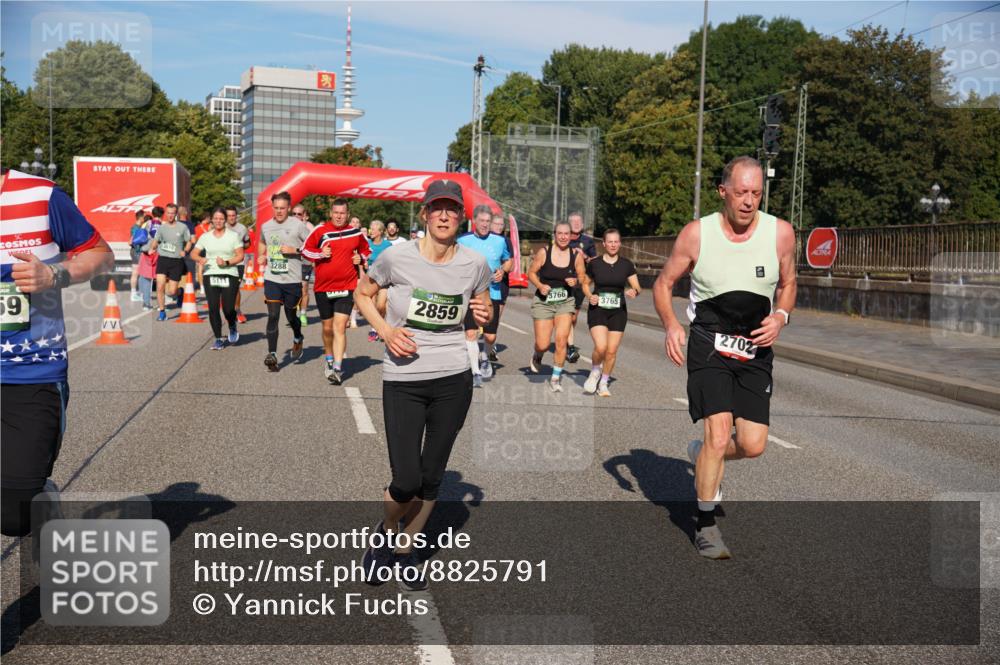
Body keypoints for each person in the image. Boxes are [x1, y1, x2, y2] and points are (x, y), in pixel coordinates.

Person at [653, 156, 796, 560]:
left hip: (755, 349)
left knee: (752, 445)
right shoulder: (697, 235)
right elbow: (664, 284)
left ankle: (702, 457)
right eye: (741, 193)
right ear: (723, 191)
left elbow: (789, 282)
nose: (749, 201)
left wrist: (781, 316)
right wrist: (671, 325)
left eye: (756, 193)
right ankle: (706, 523)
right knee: (718, 434)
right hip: (709, 343)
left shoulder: (780, 233)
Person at [354, 179, 492, 591]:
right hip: (404, 378)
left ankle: (404, 550)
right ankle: (386, 529)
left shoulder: (474, 263)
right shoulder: (397, 258)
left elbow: (480, 311)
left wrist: (481, 315)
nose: (445, 215)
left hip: (453, 377)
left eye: (452, 208)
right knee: (406, 479)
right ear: (425, 214)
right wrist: (385, 330)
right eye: (437, 208)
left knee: (432, 476)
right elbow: (363, 294)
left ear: (461, 216)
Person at [1, 167, 113, 537]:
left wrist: (54, 276)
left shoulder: (41, 195)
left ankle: (40, 499)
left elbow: (101, 255)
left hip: (29, 372)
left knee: (14, 517)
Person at [301, 199, 371, 385]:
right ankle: (329, 359)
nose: (339, 216)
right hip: (323, 287)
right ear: (331, 213)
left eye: (342, 213)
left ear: (348, 215)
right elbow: (305, 250)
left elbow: (367, 250)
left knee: (340, 327)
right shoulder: (320, 230)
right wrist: (320, 254)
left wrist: (360, 257)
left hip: (346, 286)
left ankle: (338, 368)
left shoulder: (355, 232)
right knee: (327, 328)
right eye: (336, 212)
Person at [527, 222, 586, 392]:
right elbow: (531, 272)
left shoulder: (576, 255)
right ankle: (538, 355)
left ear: (571, 235)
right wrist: (539, 285)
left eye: (566, 233)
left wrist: (576, 281)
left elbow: (583, 277)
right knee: (543, 344)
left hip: (565, 303)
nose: (563, 236)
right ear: (554, 234)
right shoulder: (544, 252)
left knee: (561, 340)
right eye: (559, 233)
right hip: (544, 303)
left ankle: (555, 378)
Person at [581, 229, 640, 396]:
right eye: (610, 242)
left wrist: (633, 291)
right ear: (604, 244)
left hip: (618, 311)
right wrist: (589, 295)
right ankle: (594, 372)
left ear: (619, 244)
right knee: (601, 347)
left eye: (616, 242)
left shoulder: (626, 264)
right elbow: (585, 284)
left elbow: (637, 286)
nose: (613, 245)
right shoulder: (595, 263)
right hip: (598, 309)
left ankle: (604, 382)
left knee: (612, 350)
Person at [457, 204, 511, 386]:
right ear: (474, 222)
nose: (485, 224)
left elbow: (508, 260)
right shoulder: (463, 241)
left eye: (488, 221)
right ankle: (475, 372)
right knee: (471, 333)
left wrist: (503, 271)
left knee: (490, 337)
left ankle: (486, 357)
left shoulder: (499, 241)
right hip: (471, 294)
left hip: (492, 294)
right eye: (482, 221)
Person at [258, 191, 311, 372]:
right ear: (272, 207)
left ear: (289, 208)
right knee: (273, 315)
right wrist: (260, 255)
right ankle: (272, 354)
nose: (279, 211)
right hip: (272, 278)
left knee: (291, 315)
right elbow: (263, 243)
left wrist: (294, 249)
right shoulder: (266, 226)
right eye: (276, 208)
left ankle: (298, 337)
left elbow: (312, 248)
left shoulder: (298, 226)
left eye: (283, 208)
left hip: (292, 280)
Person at [194, 207, 244, 350]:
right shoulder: (205, 236)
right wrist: (200, 258)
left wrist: (227, 262)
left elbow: (240, 255)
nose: (218, 221)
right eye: (215, 218)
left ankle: (232, 324)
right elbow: (194, 253)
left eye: (221, 218)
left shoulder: (233, 236)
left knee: (228, 309)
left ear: (225, 220)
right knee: (213, 308)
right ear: (212, 219)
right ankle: (218, 338)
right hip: (211, 274)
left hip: (229, 274)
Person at [149, 203, 192, 321]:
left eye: (172, 213)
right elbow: (156, 240)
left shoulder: (182, 227)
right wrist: (152, 248)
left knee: (172, 291)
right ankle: (162, 312)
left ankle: (180, 292)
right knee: (160, 286)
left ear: (176, 214)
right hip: (163, 259)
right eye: (168, 213)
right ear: (165, 214)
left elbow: (189, 241)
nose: (170, 215)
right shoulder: (161, 228)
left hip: (176, 261)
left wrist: (186, 250)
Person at [566, 212, 597, 363]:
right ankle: (570, 347)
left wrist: (584, 256)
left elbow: (594, 262)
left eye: (579, 222)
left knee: (573, 317)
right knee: (565, 313)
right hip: (563, 282)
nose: (577, 224)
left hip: (579, 282)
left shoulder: (588, 241)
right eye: (574, 222)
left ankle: (566, 338)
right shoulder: (563, 238)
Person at [488, 213, 514, 362]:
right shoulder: (483, 238)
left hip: (501, 283)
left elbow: (510, 262)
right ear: (490, 225)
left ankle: (491, 347)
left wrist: (502, 270)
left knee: (495, 319)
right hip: (483, 283)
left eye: (501, 224)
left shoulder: (506, 241)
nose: (498, 226)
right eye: (496, 224)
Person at [365, 220, 394, 343]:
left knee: (381, 305)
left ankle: (379, 326)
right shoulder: (366, 244)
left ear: (380, 232)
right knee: (371, 305)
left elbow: (393, 261)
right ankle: (375, 329)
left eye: (373, 229)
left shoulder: (387, 245)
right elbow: (360, 258)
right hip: (370, 278)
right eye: (370, 228)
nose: (371, 231)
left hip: (384, 279)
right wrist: (364, 263)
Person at [225, 206, 251, 324]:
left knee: (235, 287)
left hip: (238, 261)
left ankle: (238, 310)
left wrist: (240, 247)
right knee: (225, 288)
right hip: (223, 262)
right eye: (229, 216)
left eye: (233, 216)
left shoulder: (242, 228)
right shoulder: (221, 226)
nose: (231, 218)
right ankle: (228, 310)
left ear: (236, 216)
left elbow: (247, 243)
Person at [292, 204, 315, 327]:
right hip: (290, 262)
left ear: (304, 216)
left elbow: (314, 244)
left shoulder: (309, 227)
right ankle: (294, 309)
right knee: (291, 290)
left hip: (304, 262)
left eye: (299, 214)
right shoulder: (287, 226)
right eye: (294, 214)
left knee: (304, 288)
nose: (296, 216)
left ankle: (303, 313)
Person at [178, 205, 199, 293]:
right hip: (189, 252)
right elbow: (193, 240)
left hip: (177, 251)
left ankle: (177, 292)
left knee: (177, 273)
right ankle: (191, 292)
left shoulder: (176, 224)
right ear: (186, 213)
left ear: (178, 214)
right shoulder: (190, 224)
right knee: (191, 273)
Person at [128, 210, 147, 301]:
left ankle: (136, 293)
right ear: (140, 218)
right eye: (144, 217)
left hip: (136, 252)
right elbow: (131, 241)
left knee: (137, 273)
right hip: (136, 252)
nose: (145, 218)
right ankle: (134, 294)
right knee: (136, 273)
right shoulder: (136, 228)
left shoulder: (137, 227)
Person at [193, 211, 212, 296]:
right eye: (209, 218)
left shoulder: (196, 228)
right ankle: (209, 286)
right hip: (208, 249)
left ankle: (202, 287)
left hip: (200, 249)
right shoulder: (210, 226)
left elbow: (195, 240)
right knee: (210, 268)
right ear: (206, 218)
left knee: (200, 269)